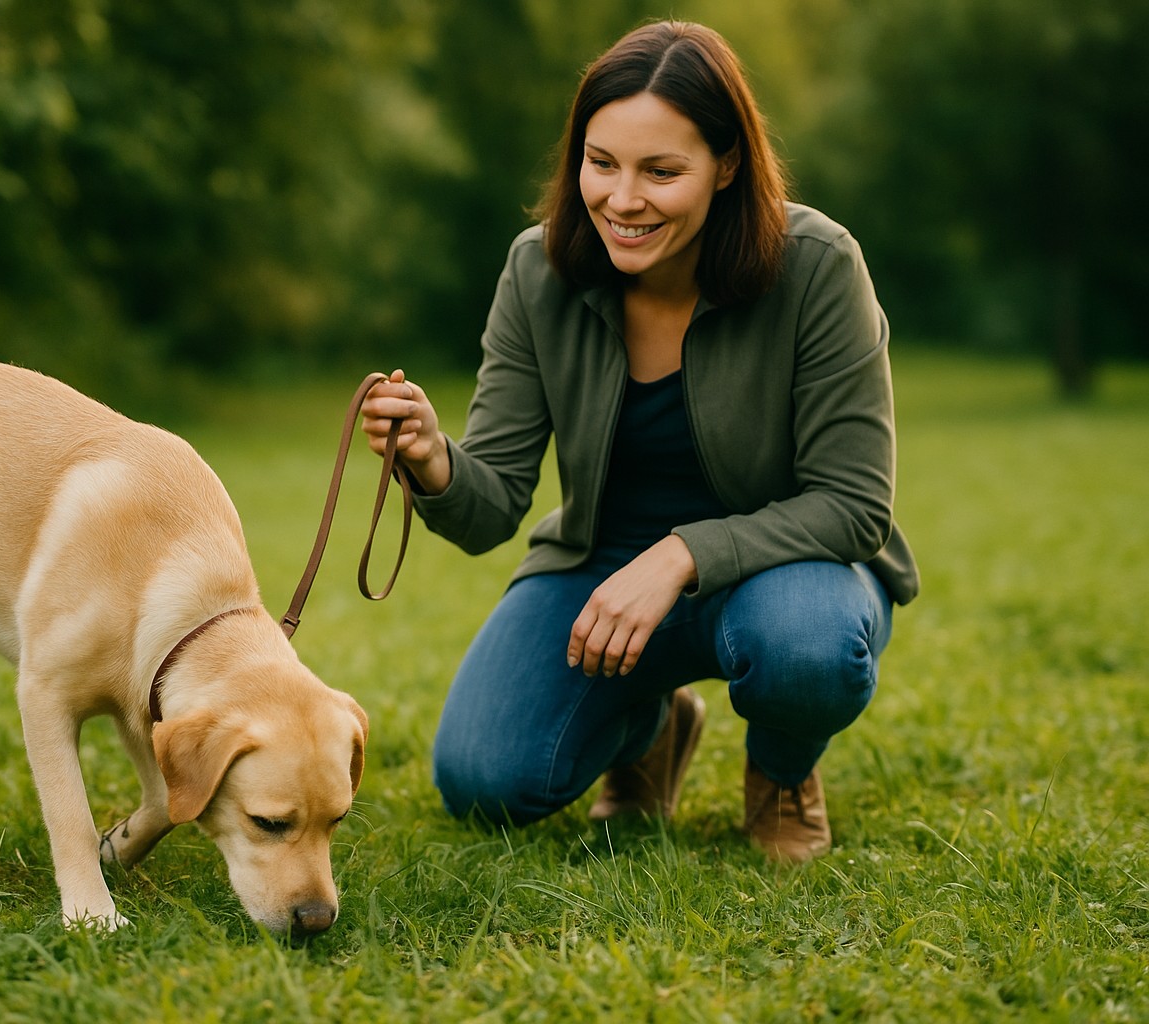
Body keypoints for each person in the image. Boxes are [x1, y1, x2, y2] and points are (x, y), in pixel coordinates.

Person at [360, 19, 919, 863]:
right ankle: (650, 730)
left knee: (803, 648)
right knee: (484, 781)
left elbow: (852, 507)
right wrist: (435, 460)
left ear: (726, 166)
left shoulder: (817, 265)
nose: (623, 200)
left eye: (662, 172)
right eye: (602, 162)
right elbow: (492, 507)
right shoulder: (537, 270)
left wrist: (679, 556)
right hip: (601, 569)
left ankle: (780, 771)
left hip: (786, 571)